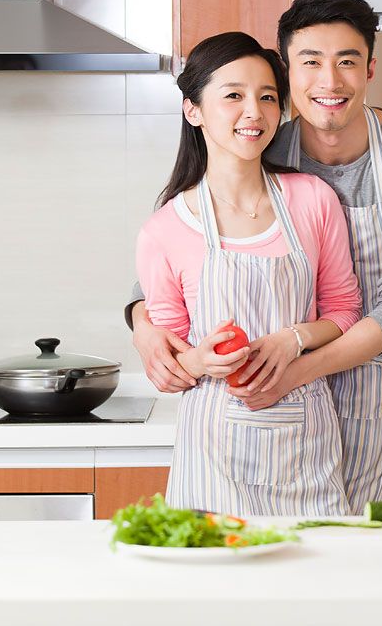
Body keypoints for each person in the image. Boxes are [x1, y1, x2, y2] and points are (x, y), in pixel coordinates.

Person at [129, 0, 382, 511]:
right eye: (311, 63)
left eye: (346, 62)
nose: (330, 82)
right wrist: (146, 330)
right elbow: (169, 256)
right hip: (278, 426)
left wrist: (294, 365)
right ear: (287, 71)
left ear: (370, 69)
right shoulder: (260, 144)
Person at [134, 31, 361, 516]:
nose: (254, 112)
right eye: (233, 95)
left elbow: (344, 312)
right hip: (213, 460)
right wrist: (200, 362)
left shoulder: (312, 199)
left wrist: (293, 339)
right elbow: (169, 363)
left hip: (308, 456)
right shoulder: (164, 230)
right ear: (193, 110)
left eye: (267, 97)